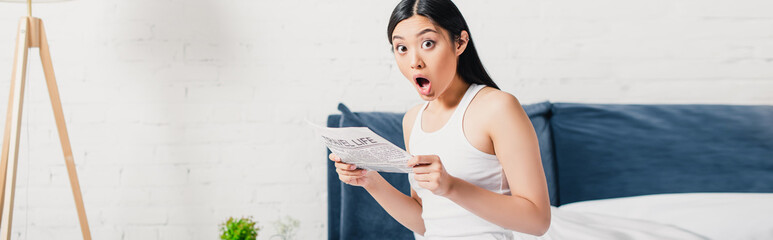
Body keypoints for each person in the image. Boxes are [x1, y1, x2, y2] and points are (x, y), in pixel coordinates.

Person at [330, 0, 550, 239]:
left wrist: (451, 187)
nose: (414, 61)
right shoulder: (413, 120)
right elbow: (425, 222)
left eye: (428, 43)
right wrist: (369, 179)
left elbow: (537, 221)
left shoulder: (498, 107)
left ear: (460, 42)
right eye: (401, 48)